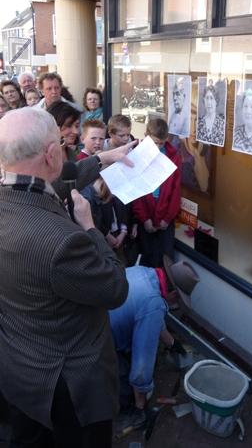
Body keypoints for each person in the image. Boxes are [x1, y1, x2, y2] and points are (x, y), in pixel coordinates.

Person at [0, 107, 129, 448]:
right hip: (70, 391)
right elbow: (115, 288)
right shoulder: (63, 240)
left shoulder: (12, 195)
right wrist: (89, 228)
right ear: (52, 153)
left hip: (18, 371)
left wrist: (104, 158)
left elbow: (54, 177)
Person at [110, 259, 199, 433]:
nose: (177, 304)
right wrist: (141, 406)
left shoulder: (145, 272)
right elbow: (142, 366)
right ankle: (129, 415)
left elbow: (151, 316)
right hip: (98, 340)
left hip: (96, 318)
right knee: (126, 383)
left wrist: (172, 343)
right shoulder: (153, 303)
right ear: (174, 293)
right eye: (178, 300)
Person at [132, 118, 181, 267]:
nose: (158, 147)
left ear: (167, 139)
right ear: (146, 136)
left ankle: (164, 289)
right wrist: (144, 218)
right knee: (147, 257)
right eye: (154, 143)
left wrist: (167, 218)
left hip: (165, 215)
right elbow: (135, 189)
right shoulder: (138, 155)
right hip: (146, 213)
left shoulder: (174, 157)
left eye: (161, 143)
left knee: (166, 259)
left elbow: (175, 190)